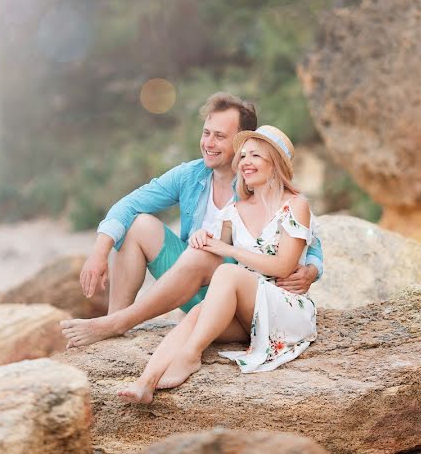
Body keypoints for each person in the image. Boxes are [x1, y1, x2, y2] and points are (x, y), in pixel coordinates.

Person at [60, 94, 324, 348]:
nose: (209, 143)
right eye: (206, 133)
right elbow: (129, 205)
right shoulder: (189, 175)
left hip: (237, 295)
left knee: (202, 255)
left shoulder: (259, 180)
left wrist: (311, 270)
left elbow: (305, 235)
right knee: (138, 224)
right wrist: (99, 252)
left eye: (220, 136)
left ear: (242, 144)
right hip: (186, 282)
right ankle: (112, 324)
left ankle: (117, 323)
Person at [117, 125, 317, 404]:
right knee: (198, 312)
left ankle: (190, 355)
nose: (246, 162)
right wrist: (202, 237)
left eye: (256, 156)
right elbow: (216, 250)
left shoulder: (295, 205)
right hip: (249, 314)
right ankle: (144, 382)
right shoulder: (234, 211)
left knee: (227, 272)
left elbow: (284, 266)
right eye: (243, 156)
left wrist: (228, 249)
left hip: (284, 307)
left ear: (276, 164)